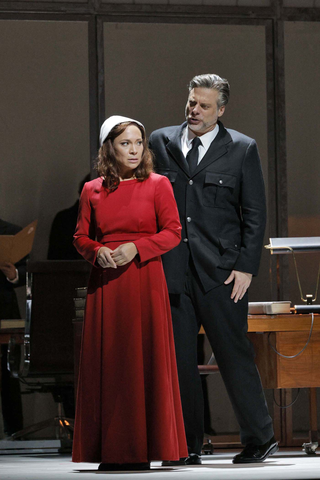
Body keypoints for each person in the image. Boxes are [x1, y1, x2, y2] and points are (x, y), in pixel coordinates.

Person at [149, 74, 278, 465]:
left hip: (222, 273)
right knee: (180, 360)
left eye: (204, 106)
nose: (194, 111)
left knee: (233, 354)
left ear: (221, 109)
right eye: (191, 102)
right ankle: (185, 445)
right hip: (173, 270)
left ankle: (260, 437)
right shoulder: (161, 141)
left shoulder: (241, 148)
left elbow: (254, 213)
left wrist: (246, 268)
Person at [72, 115, 188, 471]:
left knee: (147, 359)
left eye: (139, 143)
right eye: (126, 143)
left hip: (144, 279)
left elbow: (173, 232)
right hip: (107, 286)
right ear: (110, 148)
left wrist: (137, 248)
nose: (135, 150)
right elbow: (79, 237)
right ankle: (114, 449)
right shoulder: (92, 189)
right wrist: (97, 251)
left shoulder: (157, 185)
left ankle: (149, 447)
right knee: (111, 362)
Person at [0, 219, 25, 437]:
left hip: (3, 310)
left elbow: (28, 270)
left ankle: (14, 432)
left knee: (7, 373)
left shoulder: (10, 233)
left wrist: (13, 274)